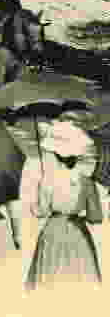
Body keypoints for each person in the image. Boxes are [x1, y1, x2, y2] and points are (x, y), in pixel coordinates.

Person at [26, 121, 103, 289]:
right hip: (78, 233)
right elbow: (96, 218)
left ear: (55, 153)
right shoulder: (87, 182)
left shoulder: (47, 180)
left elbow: (41, 211)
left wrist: (34, 205)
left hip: (53, 232)